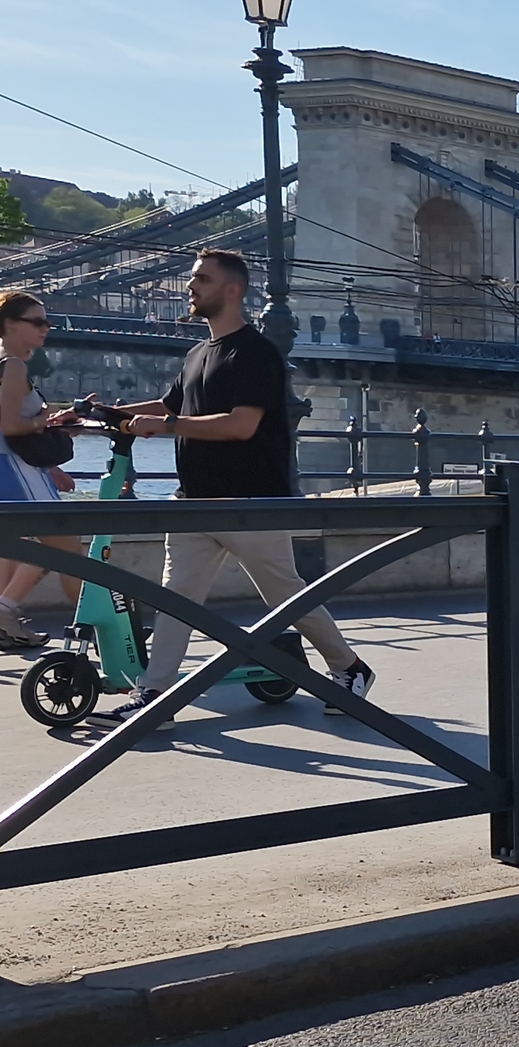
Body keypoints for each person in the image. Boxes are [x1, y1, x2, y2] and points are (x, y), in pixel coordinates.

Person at [91, 249, 374, 728]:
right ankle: (154, 698)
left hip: (249, 502)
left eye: (202, 278)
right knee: (174, 598)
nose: (191, 286)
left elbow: (241, 426)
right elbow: (168, 406)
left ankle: (350, 668)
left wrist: (165, 428)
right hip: (194, 502)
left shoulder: (256, 353)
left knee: (284, 596)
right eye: (192, 277)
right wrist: (103, 415)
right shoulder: (198, 352)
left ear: (233, 290)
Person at [0, 291, 80, 646]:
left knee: (61, 551)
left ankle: (6, 613)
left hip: (13, 469)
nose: (46, 328)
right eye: (37, 321)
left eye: (47, 321)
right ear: (10, 325)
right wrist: (45, 420)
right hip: (19, 470)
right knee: (66, 551)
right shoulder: (13, 366)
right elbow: (10, 426)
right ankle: (99, 629)